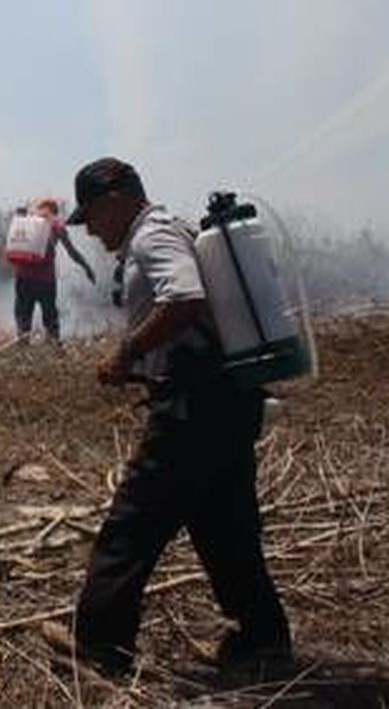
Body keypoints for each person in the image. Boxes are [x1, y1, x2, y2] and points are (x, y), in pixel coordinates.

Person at [60, 158, 291, 679]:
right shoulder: (176, 229)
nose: (91, 230)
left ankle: (98, 648)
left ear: (116, 199)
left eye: (92, 216)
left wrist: (126, 352)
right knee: (225, 527)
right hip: (226, 401)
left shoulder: (153, 234)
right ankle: (263, 642)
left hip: (195, 405)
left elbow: (185, 298)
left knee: (132, 524)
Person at [11, 197, 95, 344]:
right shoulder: (56, 224)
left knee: (23, 317)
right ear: (55, 210)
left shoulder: (27, 219)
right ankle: (53, 347)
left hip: (23, 277)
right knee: (50, 318)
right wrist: (86, 266)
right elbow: (71, 251)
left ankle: (22, 346)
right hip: (46, 280)